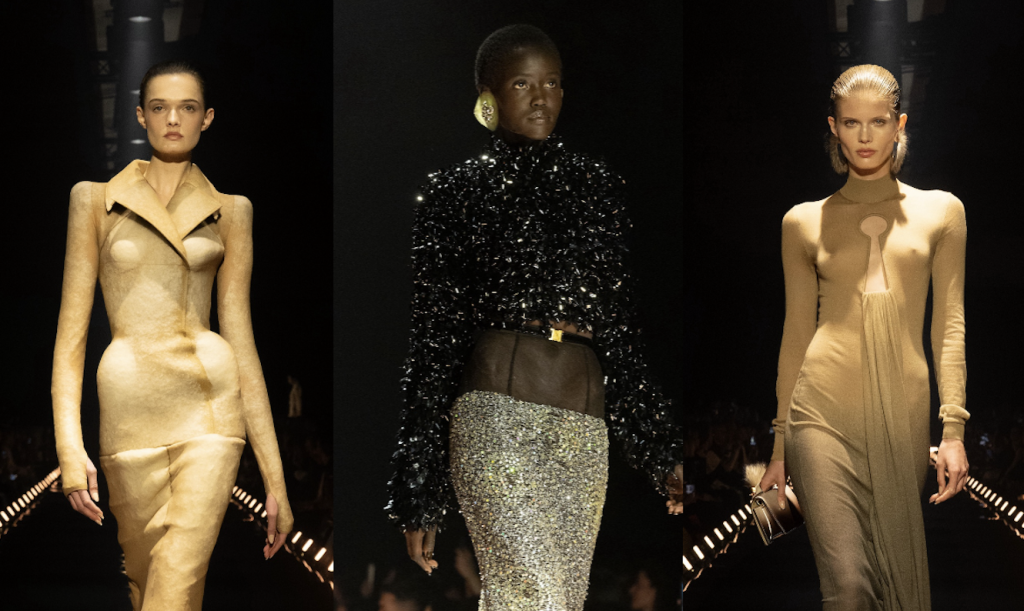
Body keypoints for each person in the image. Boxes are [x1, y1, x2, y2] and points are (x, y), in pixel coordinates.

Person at [384, 24, 684, 611]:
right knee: (530, 596)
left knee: (558, 602)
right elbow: (433, 342)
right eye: (523, 83)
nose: (541, 97)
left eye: (552, 83)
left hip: (583, 434)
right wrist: (419, 489)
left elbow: (620, 335)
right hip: (497, 422)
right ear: (488, 96)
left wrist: (660, 450)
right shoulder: (455, 193)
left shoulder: (597, 189)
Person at [51, 60, 292, 610]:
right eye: (160, 107)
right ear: (141, 116)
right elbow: (70, 337)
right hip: (128, 409)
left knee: (177, 581)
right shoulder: (93, 200)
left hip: (210, 409)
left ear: (207, 118)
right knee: (144, 583)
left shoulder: (231, 211)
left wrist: (274, 477)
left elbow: (242, 339)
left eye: (187, 108)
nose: (173, 120)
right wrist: (69, 445)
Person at [759, 64, 969, 611]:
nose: (865, 135)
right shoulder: (802, 221)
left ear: (900, 125)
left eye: (878, 122)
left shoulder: (942, 212)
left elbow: (949, 325)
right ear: (834, 127)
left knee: (888, 583)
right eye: (851, 123)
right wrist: (779, 448)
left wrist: (953, 430)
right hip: (818, 413)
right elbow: (796, 334)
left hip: (902, 414)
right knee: (849, 587)